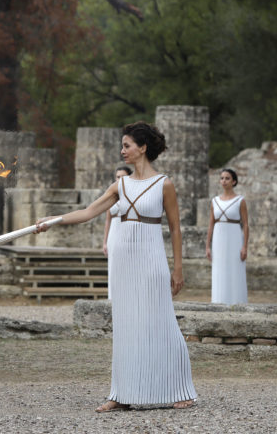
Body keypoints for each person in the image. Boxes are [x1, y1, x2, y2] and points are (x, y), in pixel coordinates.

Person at [35, 121, 197, 411]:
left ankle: (179, 389)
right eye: (122, 146)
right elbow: (87, 212)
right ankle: (121, 393)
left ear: (142, 147)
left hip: (151, 259)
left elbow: (175, 228)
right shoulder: (119, 184)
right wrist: (52, 221)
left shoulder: (164, 184)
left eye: (127, 145)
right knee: (126, 324)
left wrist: (178, 268)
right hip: (124, 262)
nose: (122, 151)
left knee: (160, 322)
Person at [205, 168, 249, 304]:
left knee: (235, 270)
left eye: (227, 178)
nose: (224, 181)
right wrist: (207, 246)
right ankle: (218, 301)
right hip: (218, 240)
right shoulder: (215, 201)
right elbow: (211, 224)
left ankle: (237, 302)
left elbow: (246, 225)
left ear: (234, 181)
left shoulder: (240, 200)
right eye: (222, 178)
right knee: (219, 270)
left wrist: (245, 247)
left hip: (235, 239)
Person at [102, 166, 132, 299]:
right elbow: (107, 220)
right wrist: (104, 241)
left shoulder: (133, 193)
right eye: (118, 177)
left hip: (127, 230)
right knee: (113, 266)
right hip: (114, 230)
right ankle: (112, 298)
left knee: (127, 265)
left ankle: (127, 297)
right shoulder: (112, 194)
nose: (120, 179)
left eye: (123, 176)